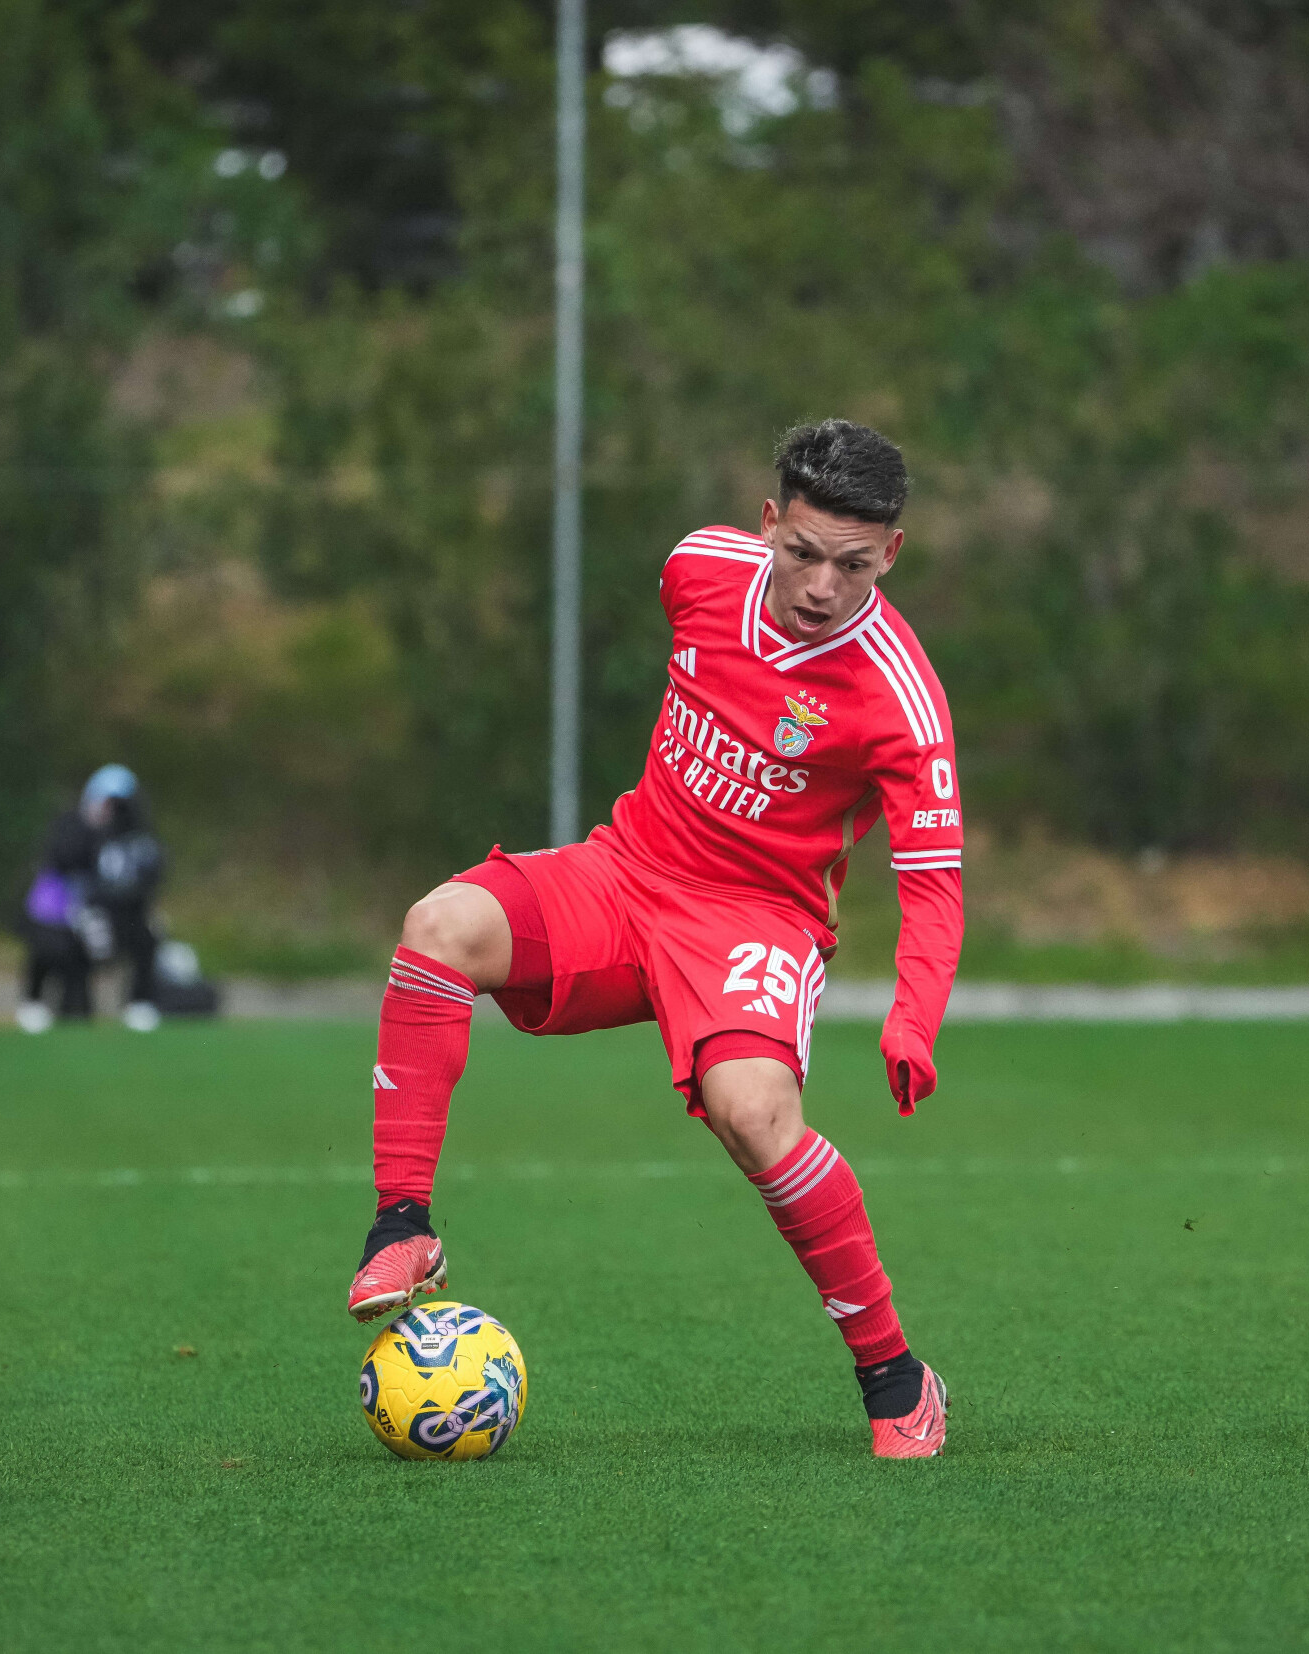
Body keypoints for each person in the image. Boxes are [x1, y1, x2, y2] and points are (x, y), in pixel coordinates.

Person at [347, 420, 964, 1459]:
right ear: (767, 522)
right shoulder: (697, 567)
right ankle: (400, 1227)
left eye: (851, 565)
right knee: (436, 926)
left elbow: (933, 885)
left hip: (755, 920)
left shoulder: (901, 700)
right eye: (802, 551)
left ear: (890, 554)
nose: (819, 584)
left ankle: (895, 1376)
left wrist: (912, 1019)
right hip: (626, 871)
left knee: (753, 1115)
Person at [17, 765, 167, 1032]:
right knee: (56, 953)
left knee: (143, 937)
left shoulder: (132, 838)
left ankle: (138, 1004)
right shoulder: (72, 828)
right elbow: (63, 862)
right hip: (58, 918)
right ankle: (34, 1001)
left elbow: (143, 881)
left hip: (102, 917)